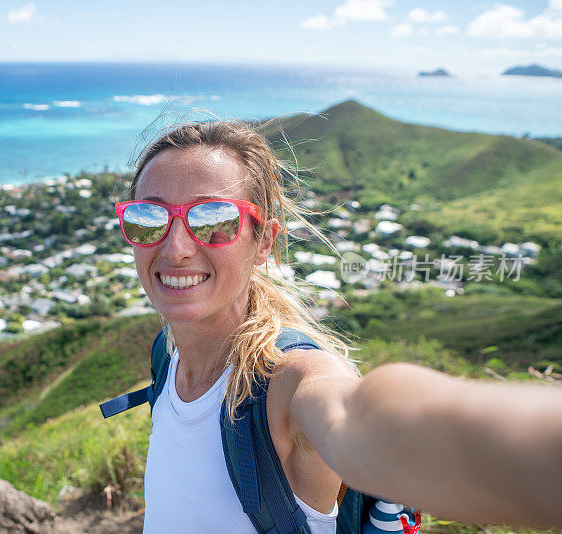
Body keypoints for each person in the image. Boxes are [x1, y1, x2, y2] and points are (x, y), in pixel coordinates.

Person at [110, 119, 562, 532]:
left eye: (214, 221)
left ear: (264, 241)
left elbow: (355, 414)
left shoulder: (287, 382)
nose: (176, 248)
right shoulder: (167, 356)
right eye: (149, 218)